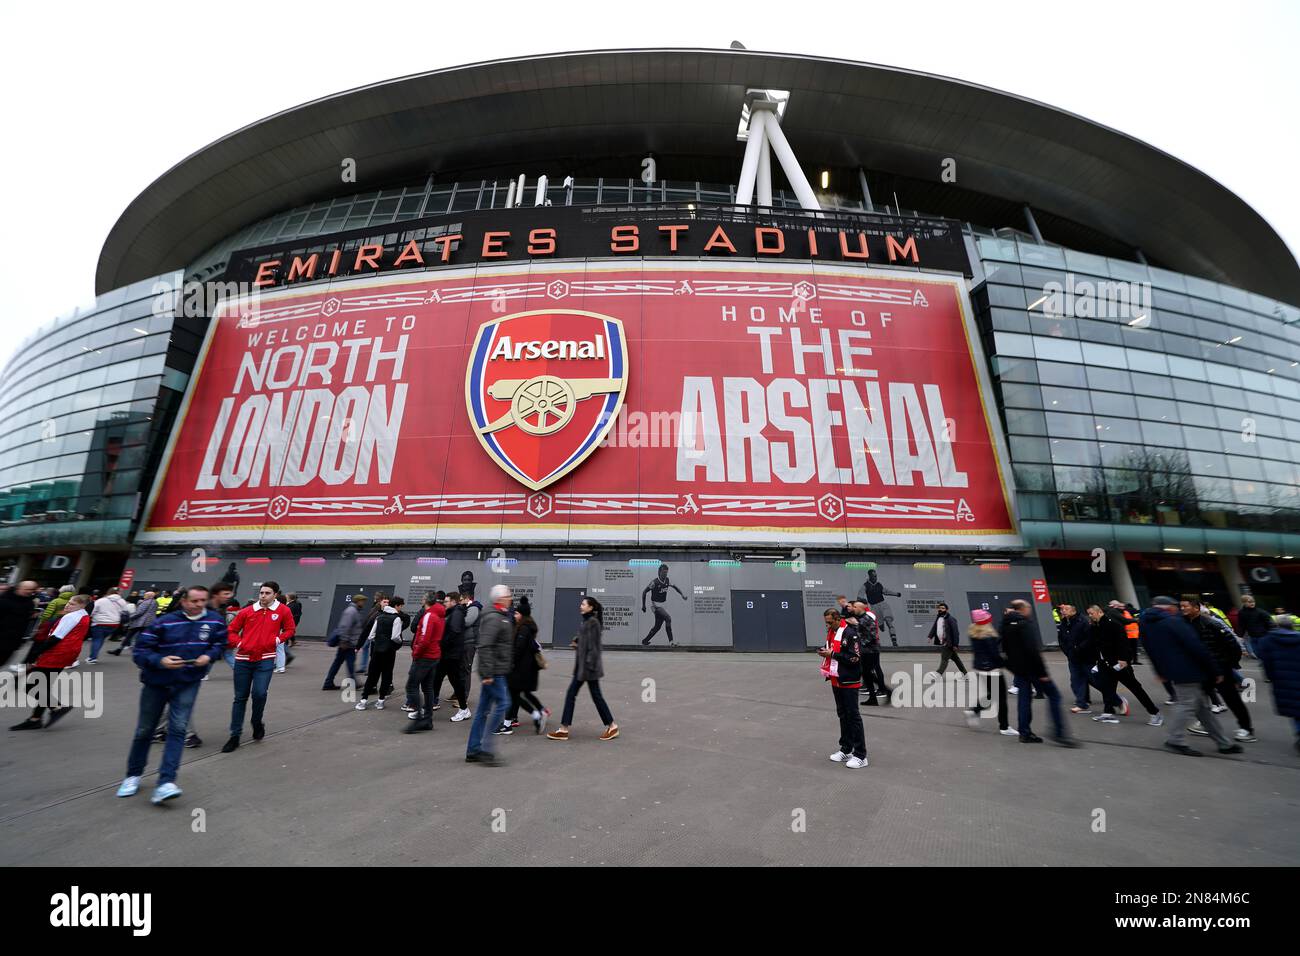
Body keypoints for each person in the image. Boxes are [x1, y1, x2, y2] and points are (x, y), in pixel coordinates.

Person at [115, 586, 227, 803]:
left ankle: (166, 781)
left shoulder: (215, 620)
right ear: (184, 601)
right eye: (194, 600)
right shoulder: (164, 621)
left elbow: (219, 644)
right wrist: (160, 661)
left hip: (188, 682)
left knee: (178, 729)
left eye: (203, 600)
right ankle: (133, 775)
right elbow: (140, 651)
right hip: (157, 682)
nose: (199, 605)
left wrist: (208, 656)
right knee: (145, 730)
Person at [1139, 596, 1241, 756]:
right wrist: (1215, 670)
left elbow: (1150, 649)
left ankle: (1223, 742)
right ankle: (1175, 740)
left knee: (1202, 709)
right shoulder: (1174, 621)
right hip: (1188, 670)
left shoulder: (1147, 623)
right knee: (1186, 706)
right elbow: (1196, 646)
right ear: (1169, 607)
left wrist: (1160, 671)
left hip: (1173, 670)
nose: (1178, 608)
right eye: (1175, 606)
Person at [221, 581, 295, 753]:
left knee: (259, 694)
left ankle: (256, 722)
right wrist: (239, 642)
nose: (263, 596)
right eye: (261, 593)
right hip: (243, 660)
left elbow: (290, 629)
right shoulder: (247, 611)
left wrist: (276, 640)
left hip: (266, 659)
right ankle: (235, 735)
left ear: (275, 594)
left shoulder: (283, 610)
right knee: (240, 698)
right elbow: (231, 631)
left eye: (267, 593)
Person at [1000, 599, 1077, 747]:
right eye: (1028, 607)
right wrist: (1042, 673)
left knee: (1024, 699)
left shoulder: (1006, 625)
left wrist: (1014, 668)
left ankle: (1024, 732)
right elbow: (1032, 650)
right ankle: (1059, 733)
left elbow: (1005, 649)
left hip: (1020, 670)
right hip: (1033, 669)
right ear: (1022, 609)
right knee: (1054, 696)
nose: (1030, 610)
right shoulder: (1025, 624)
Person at [9, 595, 91, 730]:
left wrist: (37, 652)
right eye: (68, 603)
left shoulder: (70, 617)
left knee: (32, 686)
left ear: (82, 605)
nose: (67, 606)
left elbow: (56, 637)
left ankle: (57, 707)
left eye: (72, 604)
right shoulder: (84, 616)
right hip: (68, 653)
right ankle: (35, 718)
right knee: (44, 686)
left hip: (56, 653)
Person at [1180, 598, 1255, 743]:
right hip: (1201, 669)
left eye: (1185, 606)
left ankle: (1246, 729)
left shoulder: (1210, 623)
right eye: (1181, 606)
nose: (1182, 609)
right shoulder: (1184, 624)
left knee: (1232, 699)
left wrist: (1229, 664)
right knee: (1200, 698)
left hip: (1220, 668)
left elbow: (1232, 644)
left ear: (1196, 608)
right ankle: (1205, 724)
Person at [547, 596, 620, 742]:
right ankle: (566, 729)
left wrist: (587, 665)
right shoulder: (587, 622)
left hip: (588, 668)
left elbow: (594, 648)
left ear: (591, 607)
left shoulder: (592, 623)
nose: (580, 606)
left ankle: (565, 729)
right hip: (584, 668)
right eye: (581, 603)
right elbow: (586, 642)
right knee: (590, 696)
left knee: (579, 695)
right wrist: (577, 642)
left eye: (583, 604)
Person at [1085, 604, 1163, 726]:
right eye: (1088, 614)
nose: (1090, 616)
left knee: (1135, 688)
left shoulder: (1113, 625)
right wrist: (1097, 661)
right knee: (1107, 689)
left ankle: (1155, 713)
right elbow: (1096, 645)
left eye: (1091, 613)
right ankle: (1108, 713)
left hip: (1118, 663)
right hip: (1104, 664)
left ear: (1099, 612)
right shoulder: (1095, 627)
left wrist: (1124, 659)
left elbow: (1123, 643)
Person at [465, 584, 515, 763]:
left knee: (482, 711)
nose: (511, 598)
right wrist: (487, 674)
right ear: (500, 599)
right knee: (503, 704)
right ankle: (485, 748)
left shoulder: (500, 616)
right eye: (508, 595)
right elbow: (485, 646)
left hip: (494, 670)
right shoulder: (495, 618)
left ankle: (473, 750)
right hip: (494, 672)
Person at [818, 608, 868, 767]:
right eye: (826, 623)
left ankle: (861, 755)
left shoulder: (850, 634)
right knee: (843, 715)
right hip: (836, 679)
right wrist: (824, 651)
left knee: (853, 716)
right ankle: (846, 749)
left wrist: (832, 655)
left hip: (849, 681)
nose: (827, 625)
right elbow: (832, 650)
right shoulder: (832, 633)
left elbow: (855, 657)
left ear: (838, 618)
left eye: (830, 622)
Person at [964, 608, 1017, 735]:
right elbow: (994, 655)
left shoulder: (974, 632)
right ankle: (1004, 727)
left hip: (979, 669)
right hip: (992, 670)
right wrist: (1008, 666)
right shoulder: (988, 636)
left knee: (992, 695)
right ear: (986, 621)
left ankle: (974, 710)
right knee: (1002, 699)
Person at [1255, 615, 1300, 755]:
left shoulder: (1266, 641)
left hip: (1283, 680)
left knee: (1295, 709)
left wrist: (1270, 677)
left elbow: (1265, 662)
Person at [503, 596, 548, 734]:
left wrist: (509, 663)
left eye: (516, 613)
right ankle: (509, 723)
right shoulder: (527, 627)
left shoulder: (523, 629)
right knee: (518, 695)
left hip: (521, 669)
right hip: (525, 668)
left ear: (521, 615)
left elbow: (518, 650)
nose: (514, 615)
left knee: (514, 695)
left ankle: (534, 715)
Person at [404, 594, 445, 733]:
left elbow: (424, 639)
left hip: (425, 656)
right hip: (433, 655)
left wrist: (416, 652)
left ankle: (419, 719)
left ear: (425, 601)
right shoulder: (439, 615)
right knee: (427, 687)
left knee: (411, 686)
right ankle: (427, 719)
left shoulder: (429, 616)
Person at [355, 595, 404, 710]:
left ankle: (363, 700)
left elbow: (371, 635)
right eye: (400, 606)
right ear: (396, 606)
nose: (400, 608)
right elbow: (395, 637)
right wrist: (399, 643)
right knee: (386, 675)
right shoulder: (396, 619)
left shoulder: (379, 617)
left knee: (372, 675)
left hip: (377, 650)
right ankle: (381, 701)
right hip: (389, 651)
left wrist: (378, 641)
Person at [434, 593, 471, 720]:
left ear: (453, 602)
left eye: (446, 601)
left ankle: (464, 709)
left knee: (455, 681)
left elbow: (454, 632)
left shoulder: (456, 614)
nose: (444, 603)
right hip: (449, 654)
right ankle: (430, 705)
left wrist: (442, 644)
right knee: (437, 678)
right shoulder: (452, 613)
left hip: (452, 655)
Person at [323, 594, 366, 689]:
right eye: (362, 601)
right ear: (358, 601)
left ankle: (328, 682)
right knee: (349, 663)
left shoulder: (355, 611)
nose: (363, 603)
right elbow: (344, 627)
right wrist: (344, 641)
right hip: (347, 643)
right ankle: (352, 682)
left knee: (338, 662)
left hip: (348, 643)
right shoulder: (351, 611)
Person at [1056, 604, 1092, 713]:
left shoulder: (1083, 621)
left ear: (1073, 611)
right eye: (1062, 609)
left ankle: (1117, 700)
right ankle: (1082, 704)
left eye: (1066, 609)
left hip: (1086, 657)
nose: (1063, 611)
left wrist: (1079, 648)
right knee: (1075, 681)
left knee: (1096, 681)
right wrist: (1068, 652)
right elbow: (1061, 640)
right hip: (1073, 658)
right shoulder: (1063, 623)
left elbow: (1089, 638)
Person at [851, 601, 888, 704]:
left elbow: (872, 635)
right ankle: (873, 697)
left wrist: (861, 644)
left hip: (870, 651)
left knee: (868, 673)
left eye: (855, 607)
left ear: (860, 608)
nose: (853, 608)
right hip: (867, 650)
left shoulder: (867, 619)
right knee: (866, 674)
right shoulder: (860, 619)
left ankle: (883, 691)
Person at [641, 563, 686, 646]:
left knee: (657, 627)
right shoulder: (654, 582)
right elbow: (644, 592)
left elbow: (676, 588)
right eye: (663, 572)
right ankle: (671, 642)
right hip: (656, 606)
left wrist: (682, 594)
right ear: (659, 572)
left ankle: (645, 641)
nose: (665, 574)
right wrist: (643, 606)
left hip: (663, 605)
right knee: (668, 618)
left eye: (666, 572)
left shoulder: (668, 580)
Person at [86, 587, 133, 663]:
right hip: (114, 624)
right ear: (118, 593)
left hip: (99, 622)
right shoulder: (122, 601)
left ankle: (92, 658)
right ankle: (93, 656)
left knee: (97, 639)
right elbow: (124, 612)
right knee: (101, 639)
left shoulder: (101, 600)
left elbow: (93, 611)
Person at [857, 567, 901, 646]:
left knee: (889, 622)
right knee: (880, 627)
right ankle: (877, 636)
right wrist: (862, 601)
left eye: (876, 576)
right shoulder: (866, 585)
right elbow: (859, 595)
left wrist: (896, 594)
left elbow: (886, 591)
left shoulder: (879, 585)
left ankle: (894, 640)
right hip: (874, 607)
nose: (875, 578)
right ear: (870, 576)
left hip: (883, 604)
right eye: (874, 576)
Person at [0, 579, 39, 669]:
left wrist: (31, 615)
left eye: (32, 590)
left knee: (3, 661)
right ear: (19, 588)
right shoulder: (4, 600)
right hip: (2, 636)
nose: (29, 592)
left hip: (13, 639)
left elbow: (25, 620)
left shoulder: (29, 603)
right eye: (27, 589)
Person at [109, 590, 158, 657]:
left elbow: (139, 613)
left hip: (140, 622)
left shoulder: (145, 602)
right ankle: (141, 651)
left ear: (149, 596)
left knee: (129, 635)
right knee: (142, 637)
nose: (144, 596)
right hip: (148, 622)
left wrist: (130, 617)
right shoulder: (155, 602)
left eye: (145, 595)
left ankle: (119, 650)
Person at [928, 601, 966, 675]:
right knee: (956, 659)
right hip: (942, 641)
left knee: (944, 658)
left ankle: (938, 674)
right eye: (939, 608)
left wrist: (955, 644)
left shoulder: (950, 619)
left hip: (949, 643)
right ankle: (966, 674)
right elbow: (935, 628)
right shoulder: (938, 618)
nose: (940, 609)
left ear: (946, 610)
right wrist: (930, 636)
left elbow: (956, 633)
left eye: (943, 608)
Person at [1235, 594, 1273, 661]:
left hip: (1263, 636)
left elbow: (1270, 623)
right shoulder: (1241, 613)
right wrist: (1240, 635)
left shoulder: (1260, 612)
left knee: (1265, 654)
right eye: (1249, 602)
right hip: (1252, 637)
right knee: (1258, 654)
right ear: (1244, 603)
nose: (1252, 603)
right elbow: (1242, 625)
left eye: (1253, 601)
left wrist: (1269, 632)